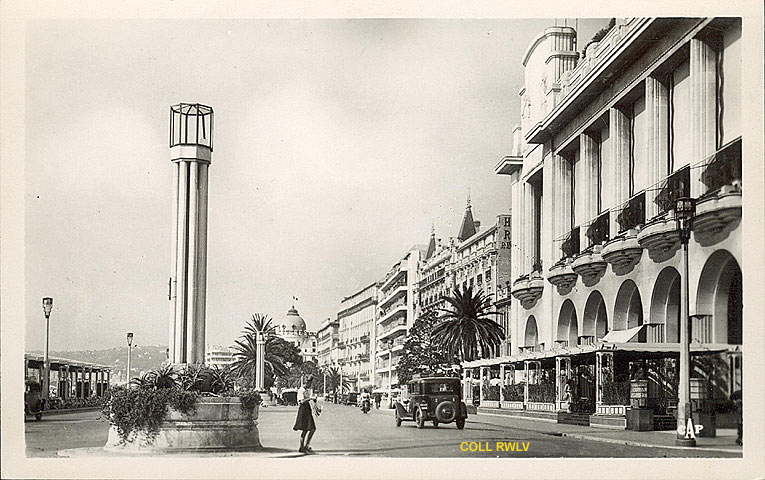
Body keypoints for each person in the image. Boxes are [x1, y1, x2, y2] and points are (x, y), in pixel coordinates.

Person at [293, 376, 320, 453]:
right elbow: (301, 401)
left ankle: (306, 445)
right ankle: (302, 447)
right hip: (303, 410)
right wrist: (310, 398)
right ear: (306, 382)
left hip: (307, 410)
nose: (310, 385)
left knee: (312, 429)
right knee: (305, 430)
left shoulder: (307, 390)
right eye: (309, 383)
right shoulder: (301, 390)